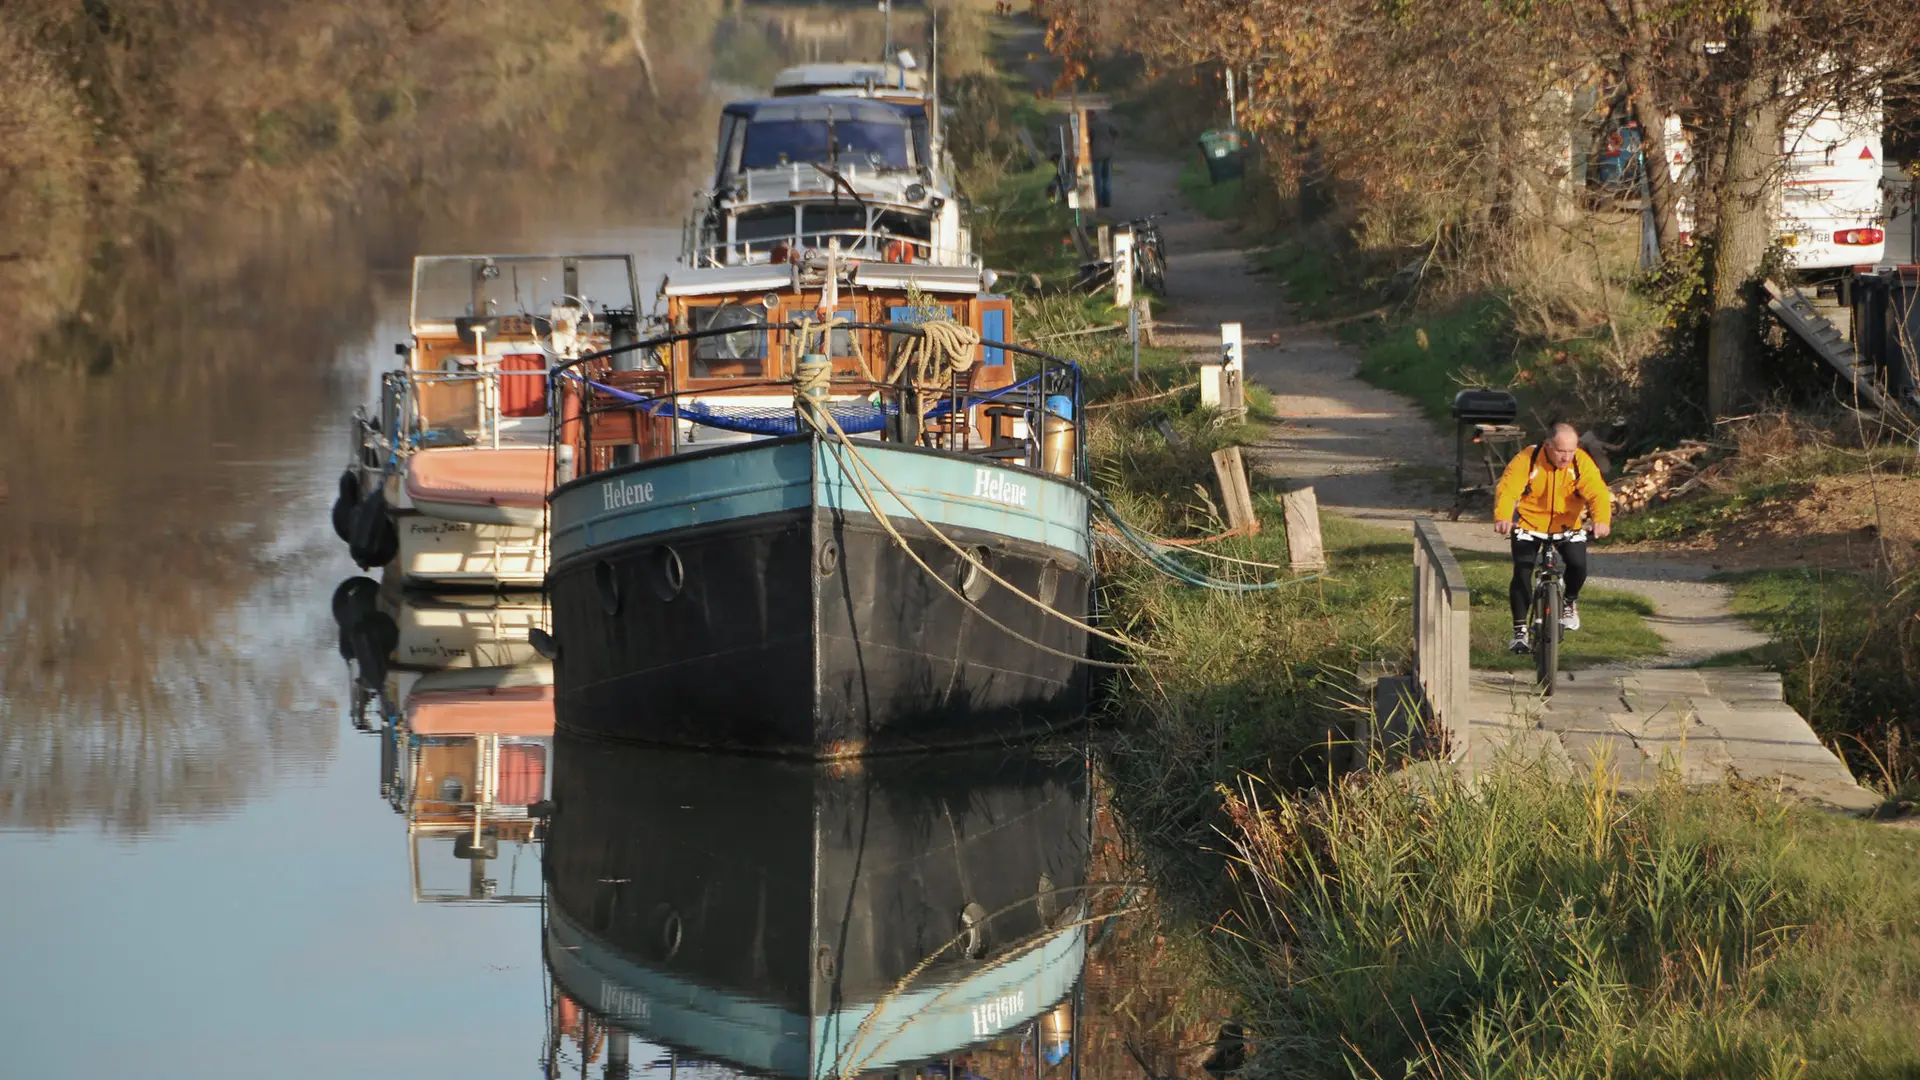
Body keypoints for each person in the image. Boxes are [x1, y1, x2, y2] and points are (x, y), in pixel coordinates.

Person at [1492, 422, 1612, 653]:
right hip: (1529, 523)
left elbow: (1597, 491)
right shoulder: (1528, 459)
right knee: (1522, 570)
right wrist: (1503, 516)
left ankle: (1568, 602)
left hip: (1567, 525)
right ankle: (1519, 632)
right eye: (1561, 451)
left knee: (1578, 565)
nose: (1566, 457)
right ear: (1548, 446)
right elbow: (1508, 489)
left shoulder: (1580, 462)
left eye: (1571, 451)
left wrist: (1601, 520)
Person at [1088, 110, 1120, 208]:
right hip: (1108, 153)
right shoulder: (1106, 123)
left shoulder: (1090, 126)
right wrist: (1112, 143)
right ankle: (1107, 201)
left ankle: (1099, 201)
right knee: (1106, 178)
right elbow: (1116, 133)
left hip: (1096, 154)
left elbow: (1088, 141)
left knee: (1097, 178)